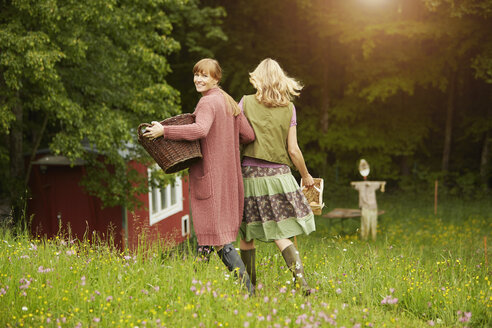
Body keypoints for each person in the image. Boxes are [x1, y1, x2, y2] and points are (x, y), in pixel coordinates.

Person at [143, 58, 256, 294]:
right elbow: (248, 135)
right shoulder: (228, 101)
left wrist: (165, 131)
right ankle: (193, 288)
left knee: (220, 240)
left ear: (216, 79)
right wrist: (225, 141)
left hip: (211, 179)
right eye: (196, 74)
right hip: (228, 180)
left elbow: (201, 129)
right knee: (207, 237)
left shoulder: (207, 103)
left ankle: (249, 291)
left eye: (205, 75)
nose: (199, 79)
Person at [238, 58, 316, 295]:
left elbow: (236, 138)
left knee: (247, 233)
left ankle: (249, 289)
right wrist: (306, 175)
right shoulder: (289, 108)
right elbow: (293, 150)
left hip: (251, 177)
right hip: (280, 176)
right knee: (281, 233)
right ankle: (302, 284)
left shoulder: (245, 102)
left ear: (258, 79)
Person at [351, 159, 386, 241]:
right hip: (365, 207)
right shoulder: (360, 184)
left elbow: (381, 188)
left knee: (373, 224)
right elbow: (353, 185)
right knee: (365, 224)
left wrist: (382, 185)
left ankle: (374, 239)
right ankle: (364, 239)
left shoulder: (373, 183)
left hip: (373, 207)